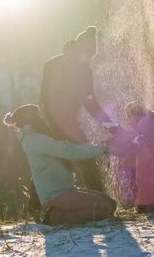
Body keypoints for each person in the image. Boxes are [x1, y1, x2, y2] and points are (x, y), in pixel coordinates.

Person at [4, 104, 128, 226]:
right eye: (37, 115)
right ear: (30, 119)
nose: (41, 118)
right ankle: (57, 217)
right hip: (55, 194)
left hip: (67, 189)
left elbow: (68, 149)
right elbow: (69, 151)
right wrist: (104, 148)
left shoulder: (38, 137)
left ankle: (61, 211)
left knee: (111, 204)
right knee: (104, 208)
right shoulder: (34, 140)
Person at [39, 26, 116, 191]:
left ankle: (98, 201)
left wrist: (113, 128)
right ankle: (98, 200)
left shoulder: (83, 70)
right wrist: (44, 126)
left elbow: (90, 103)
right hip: (52, 122)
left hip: (66, 122)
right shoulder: (53, 66)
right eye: (87, 52)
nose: (89, 57)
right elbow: (44, 99)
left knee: (57, 161)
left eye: (92, 54)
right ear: (79, 47)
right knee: (75, 158)